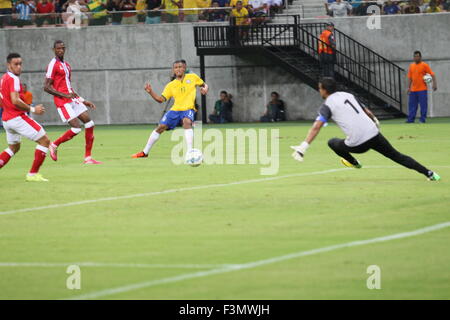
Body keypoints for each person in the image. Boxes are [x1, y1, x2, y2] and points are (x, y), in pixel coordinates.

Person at [290, 77, 440, 181]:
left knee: (332, 142)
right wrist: (374, 120)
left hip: (358, 144)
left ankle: (354, 163)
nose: (319, 91)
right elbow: (367, 111)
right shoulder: (348, 95)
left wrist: (303, 146)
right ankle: (430, 173)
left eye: (320, 89)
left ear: (324, 90)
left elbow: (317, 126)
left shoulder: (327, 105)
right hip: (374, 133)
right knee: (397, 156)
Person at [132, 60, 209, 158]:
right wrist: (150, 92)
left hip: (188, 109)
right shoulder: (170, 85)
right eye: (176, 67)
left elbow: (204, 85)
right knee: (160, 127)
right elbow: (160, 100)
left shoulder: (193, 77)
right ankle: (145, 152)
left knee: (186, 122)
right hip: (175, 110)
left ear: (185, 68)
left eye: (180, 67)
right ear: (173, 70)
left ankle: (189, 152)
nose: (178, 69)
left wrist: (205, 89)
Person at [44, 40, 102, 164]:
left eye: (63, 48)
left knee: (90, 123)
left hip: (72, 99)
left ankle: (88, 158)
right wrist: (64, 95)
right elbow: (46, 87)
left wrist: (83, 100)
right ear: (53, 49)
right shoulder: (53, 64)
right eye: (58, 48)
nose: (61, 50)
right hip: (62, 101)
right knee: (76, 128)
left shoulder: (67, 65)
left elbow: (69, 87)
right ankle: (54, 145)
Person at [0, 53, 51, 182]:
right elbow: (15, 100)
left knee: (14, 147)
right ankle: (33, 174)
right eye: (15, 64)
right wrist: (33, 109)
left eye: (20, 64)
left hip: (6, 120)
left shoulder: (4, 78)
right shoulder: (14, 79)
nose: (19, 67)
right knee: (45, 141)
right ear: (8, 65)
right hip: (17, 118)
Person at [406, 51, 437, 123]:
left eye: (417, 56)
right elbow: (410, 78)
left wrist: (434, 84)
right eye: (415, 56)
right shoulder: (411, 66)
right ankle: (410, 120)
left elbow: (432, 74)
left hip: (422, 89)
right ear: (413, 57)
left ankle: (422, 119)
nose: (416, 58)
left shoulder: (424, 65)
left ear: (420, 57)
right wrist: (408, 87)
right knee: (412, 106)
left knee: (423, 105)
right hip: (413, 90)